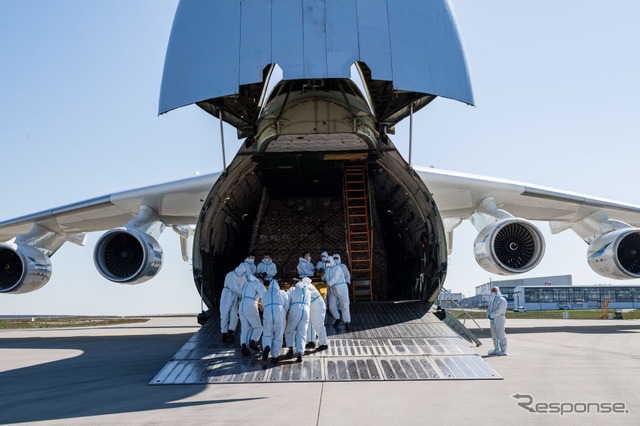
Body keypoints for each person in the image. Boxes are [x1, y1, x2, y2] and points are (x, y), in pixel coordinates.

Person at [260, 278, 290, 364]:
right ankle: (275, 356)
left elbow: (263, 304)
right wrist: (284, 312)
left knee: (267, 333)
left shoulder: (265, 293)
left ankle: (267, 346)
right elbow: (286, 304)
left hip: (268, 311)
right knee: (278, 335)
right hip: (279, 311)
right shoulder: (282, 293)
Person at [238, 274, 267, 356]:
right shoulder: (258, 284)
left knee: (245, 327)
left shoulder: (247, 284)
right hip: (250, 305)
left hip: (242, 305)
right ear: (260, 280)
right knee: (258, 327)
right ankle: (253, 341)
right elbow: (265, 295)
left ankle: (244, 346)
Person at [284, 277, 312, 362]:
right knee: (302, 332)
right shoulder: (307, 290)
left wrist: (284, 312)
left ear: (293, 284)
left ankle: (291, 350)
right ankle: (300, 353)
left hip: (295, 308)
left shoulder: (292, 289)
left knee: (289, 330)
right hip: (306, 310)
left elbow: (286, 300)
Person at [220, 263, 247, 343]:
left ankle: (231, 333)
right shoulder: (230, 275)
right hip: (227, 295)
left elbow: (246, 284)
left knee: (234, 315)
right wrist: (243, 294)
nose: (244, 274)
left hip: (236, 296)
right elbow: (233, 288)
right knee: (224, 314)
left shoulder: (242, 276)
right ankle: (224, 334)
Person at [324, 257, 351, 330]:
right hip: (333, 290)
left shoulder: (338, 268)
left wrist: (328, 284)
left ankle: (347, 322)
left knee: (344, 306)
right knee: (331, 306)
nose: (327, 263)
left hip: (341, 289)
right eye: (326, 262)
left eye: (328, 261)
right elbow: (324, 277)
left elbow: (335, 278)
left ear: (332, 261)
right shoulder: (327, 270)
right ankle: (337, 318)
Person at [304, 277, 328, 350]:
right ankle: (311, 341)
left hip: (317, 306)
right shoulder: (307, 286)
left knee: (318, 324)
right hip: (312, 305)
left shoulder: (305, 288)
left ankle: (324, 343)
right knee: (310, 323)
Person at [487, 286, 508, 356]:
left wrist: (492, 315)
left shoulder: (502, 300)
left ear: (498, 291)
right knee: (494, 335)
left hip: (499, 318)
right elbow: (488, 309)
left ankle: (504, 350)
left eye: (494, 290)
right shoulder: (492, 300)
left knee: (500, 333)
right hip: (492, 319)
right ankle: (496, 349)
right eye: (492, 291)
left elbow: (500, 310)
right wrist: (488, 315)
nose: (493, 292)